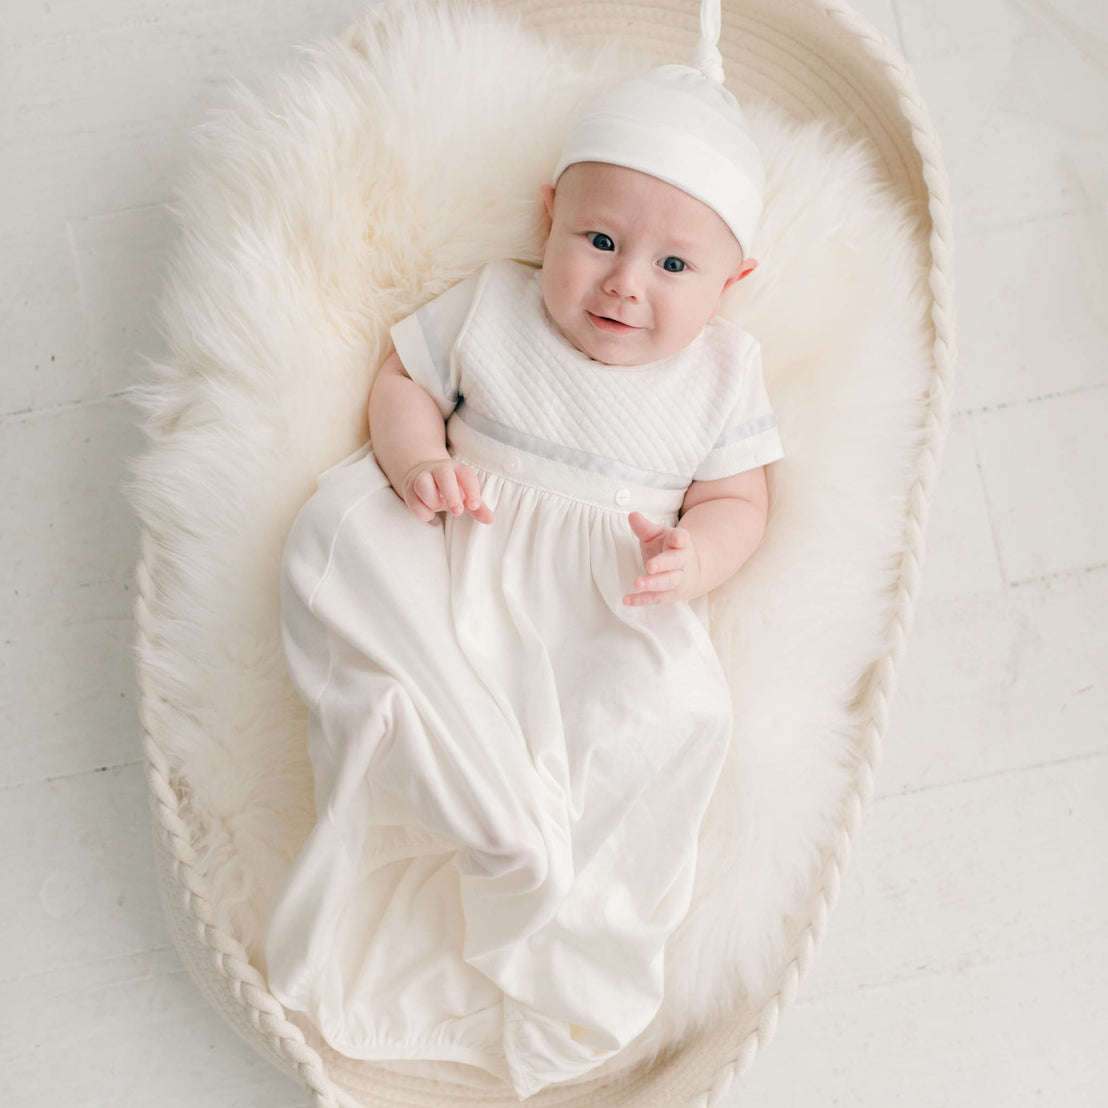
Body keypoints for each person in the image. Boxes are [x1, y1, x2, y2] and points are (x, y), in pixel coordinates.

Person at [264, 6, 783, 1100]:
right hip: (458, 545)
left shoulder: (723, 377)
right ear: (549, 216)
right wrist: (416, 464)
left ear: (730, 285)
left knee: (663, 724)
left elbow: (744, 496)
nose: (623, 283)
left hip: (603, 601)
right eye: (598, 239)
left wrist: (698, 554)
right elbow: (403, 383)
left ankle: (529, 866)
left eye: (673, 262)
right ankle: (463, 799)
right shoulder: (493, 302)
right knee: (340, 546)